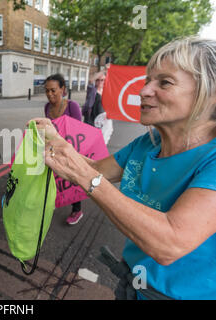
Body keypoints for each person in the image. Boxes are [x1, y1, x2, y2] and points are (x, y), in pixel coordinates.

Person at [33, 37, 216, 300]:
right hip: (132, 283)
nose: (144, 91)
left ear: (210, 95)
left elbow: (169, 243)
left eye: (164, 82)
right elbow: (97, 168)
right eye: (147, 80)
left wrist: (86, 177)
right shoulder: (147, 143)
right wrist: (58, 141)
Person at [43, 74, 84, 225]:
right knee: (54, 177)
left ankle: (77, 210)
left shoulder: (72, 106)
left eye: (53, 90)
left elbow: (79, 130)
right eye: (47, 91)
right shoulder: (47, 107)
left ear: (62, 89)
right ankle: (55, 200)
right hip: (53, 148)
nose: (49, 94)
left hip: (71, 148)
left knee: (73, 179)